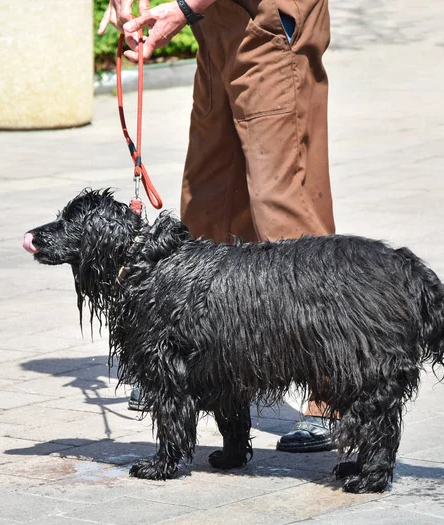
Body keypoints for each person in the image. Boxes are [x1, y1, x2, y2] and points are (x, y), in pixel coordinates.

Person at [100, 0, 336, 452]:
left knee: (282, 203)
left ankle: (332, 391)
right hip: (215, 24)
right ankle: (201, 368)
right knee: (208, 199)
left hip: (268, 23)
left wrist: (184, 8)